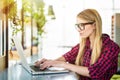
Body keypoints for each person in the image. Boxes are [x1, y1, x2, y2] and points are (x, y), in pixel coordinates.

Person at [35, 9, 120, 80]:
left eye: (82, 25)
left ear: (94, 25)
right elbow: (66, 57)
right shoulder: (83, 45)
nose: (79, 29)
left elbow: (95, 72)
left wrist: (64, 65)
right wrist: (50, 62)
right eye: (77, 25)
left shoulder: (111, 48)